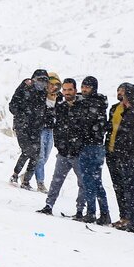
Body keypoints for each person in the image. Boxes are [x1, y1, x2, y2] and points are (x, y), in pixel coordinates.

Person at [106, 83, 134, 234]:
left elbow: (131, 140)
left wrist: (126, 155)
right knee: (129, 190)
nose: (121, 97)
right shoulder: (129, 113)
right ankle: (132, 221)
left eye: (123, 94)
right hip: (128, 158)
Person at [37, 78, 85, 217]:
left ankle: (80, 210)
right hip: (64, 152)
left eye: (70, 89)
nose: (67, 92)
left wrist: (78, 146)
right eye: (64, 89)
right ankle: (48, 205)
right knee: (56, 180)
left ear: (75, 90)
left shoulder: (82, 107)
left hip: (78, 153)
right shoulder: (61, 107)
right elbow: (57, 128)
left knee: (82, 183)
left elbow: (84, 129)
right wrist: (60, 145)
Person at [75, 76, 111, 225]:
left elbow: (86, 124)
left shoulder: (92, 103)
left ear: (94, 88)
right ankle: (104, 213)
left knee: (89, 181)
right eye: (83, 86)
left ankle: (91, 213)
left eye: (87, 87)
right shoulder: (97, 103)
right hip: (94, 146)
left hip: (90, 147)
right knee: (96, 181)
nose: (84, 90)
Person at [8, 69, 49, 189]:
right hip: (22, 125)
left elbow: (43, 110)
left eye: (45, 81)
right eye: (40, 80)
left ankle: (25, 181)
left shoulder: (43, 93)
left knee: (36, 154)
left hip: (36, 127)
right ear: (34, 79)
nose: (42, 83)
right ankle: (15, 175)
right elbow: (12, 105)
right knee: (28, 150)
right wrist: (22, 115)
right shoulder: (25, 87)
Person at [34, 74, 61, 192]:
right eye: (51, 84)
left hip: (51, 129)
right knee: (40, 157)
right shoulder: (40, 95)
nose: (53, 87)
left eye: (56, 85)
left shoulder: (59, 97)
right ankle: (40, 183)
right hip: (40, 128)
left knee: (45, 157)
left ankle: (27, 175)